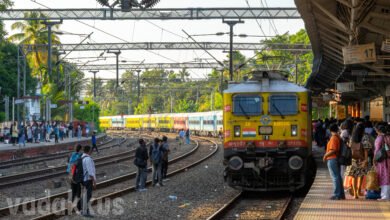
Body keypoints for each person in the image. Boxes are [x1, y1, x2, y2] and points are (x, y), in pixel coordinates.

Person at [344, 123, 369, 199]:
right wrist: (365, 160)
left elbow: (349, 146)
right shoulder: (364, 137)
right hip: (361, 159)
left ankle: (355, 194)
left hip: (352, 159)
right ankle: (358, 191)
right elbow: (366, 150)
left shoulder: (352, 137)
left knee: (354, 177)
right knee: (360, 176)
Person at [323, 123, 345, 200]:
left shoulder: (333, 138)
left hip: (332, 158)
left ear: (330, 130)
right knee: (338, 176)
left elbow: (333, 150)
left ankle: (337, 194)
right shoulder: (338, 137)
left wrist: (325, 155)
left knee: (335, 177)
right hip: (336, 158)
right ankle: (341, 194)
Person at [374, 125, 390, 200]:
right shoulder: (388, 137)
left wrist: (374, 160)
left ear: (379, 131)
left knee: (384, 176)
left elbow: (377, 150)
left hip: (382, 160)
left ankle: (384, 196)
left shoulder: (379, 138)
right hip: (388, 159)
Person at [81, 145, 96, 217]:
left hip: (84, 179)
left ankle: (82, 210)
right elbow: (90, 172)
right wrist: (94, 181)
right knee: (88, 196)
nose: (92, 151)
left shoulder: (82, 157)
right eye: (91, 150)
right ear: (88, 151)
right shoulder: (88, 159)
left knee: (85, 195)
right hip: (88, 180)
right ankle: (86, 212)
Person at [66, 144, 83, 211]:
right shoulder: (80, 156)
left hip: (70, 175)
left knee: (73, 191)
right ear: (80, 149)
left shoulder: (70, 155)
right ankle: (79, 207)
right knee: (78, 192)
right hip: (76, 175)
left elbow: (68, 163)